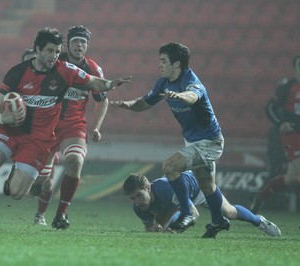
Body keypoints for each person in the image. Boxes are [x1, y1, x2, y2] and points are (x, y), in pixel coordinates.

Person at [0, 27, 131, 230]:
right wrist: (3, 117)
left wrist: (112, 84)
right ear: (38, 50)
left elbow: (94, 82)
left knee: (17, 193)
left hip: (38, 139)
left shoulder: (66, 71)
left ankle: (18, 171)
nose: (54, 56)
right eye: (50, 50)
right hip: (11, 130)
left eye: (57, 50)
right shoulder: (17, 72)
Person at [111, 42, 228, 238]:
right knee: (208, 187)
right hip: (192, 142)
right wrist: (126, 104)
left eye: (163, 61)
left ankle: (186, 212)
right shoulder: (163, 82)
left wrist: (180, 96)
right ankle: (219, 221)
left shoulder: (192, 82)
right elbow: (144, 103)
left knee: (170, 167)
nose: (160, 65)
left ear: (177, 64)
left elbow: (193, 96)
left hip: (210, 142)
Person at [4, 25, 109, 229]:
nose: (79, 45)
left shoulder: (93, 69)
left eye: (83, 42)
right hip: (47, 125)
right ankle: (24, 178)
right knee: (43, 182)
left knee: (75, 161)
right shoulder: (54, 62)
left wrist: (96, 127)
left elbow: (102, 99)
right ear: (67, 45)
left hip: (74, 126)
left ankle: (61, 214)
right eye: (75, 41)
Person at [123, 173, 281, 237]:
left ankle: (260, 221)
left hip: (199, 186)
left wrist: (174, 229)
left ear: (148, 188)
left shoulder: (167, 190)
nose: (137, 201)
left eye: (139, 195)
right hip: (177, 201)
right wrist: (157, 229)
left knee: (230, 213)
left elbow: (192, 213)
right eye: (132, 198)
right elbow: (151, 230)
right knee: (164, 226)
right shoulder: (138, 208)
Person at [251, 55, 300, 213]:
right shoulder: (287, 88)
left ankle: (261, 196)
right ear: (295, 68)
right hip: (292, 135)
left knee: (291, 178)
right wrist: (281, 123)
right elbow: (270, 108)